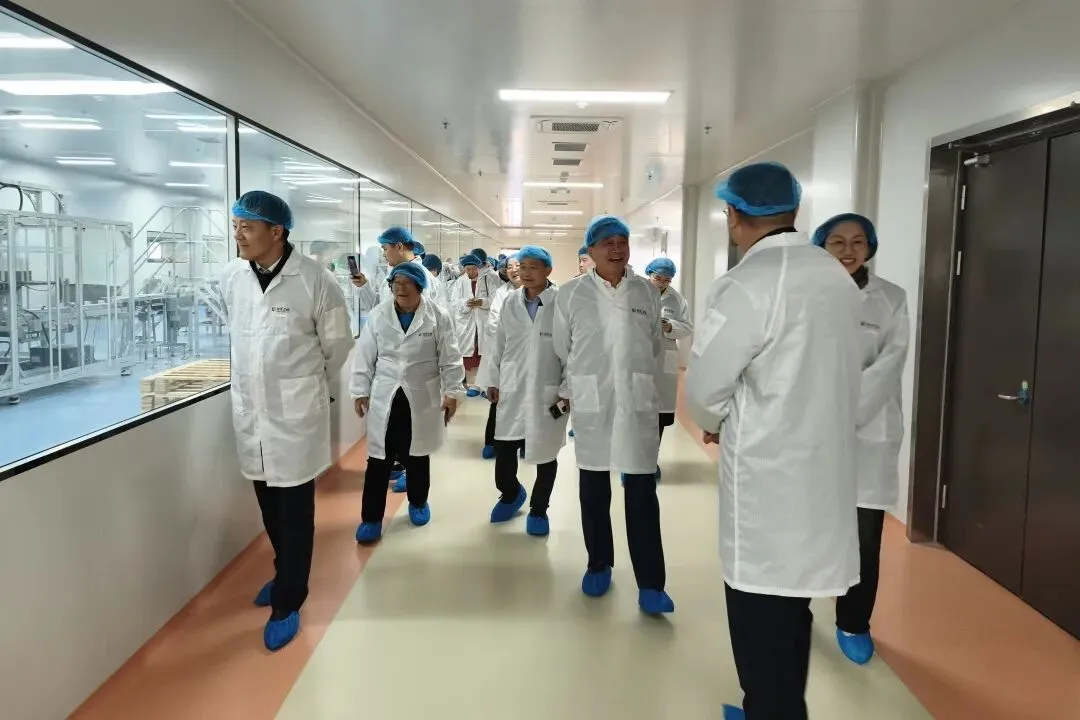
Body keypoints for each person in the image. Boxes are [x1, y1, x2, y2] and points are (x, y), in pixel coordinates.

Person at [685, 162, 861, 720]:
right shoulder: (835, 276)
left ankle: (768, 710)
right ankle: (781, 707)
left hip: (767, 475)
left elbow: (707, 386)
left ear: (734, 216)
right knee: (793, 608)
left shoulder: (746, 283)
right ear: (794, 210)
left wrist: (711, 420)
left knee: (759, 612)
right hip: (824, 469)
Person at [219, 191, 353, 652]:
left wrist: (305, 387)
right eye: (236, 226)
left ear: (276, 232)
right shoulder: (232, 277)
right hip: (252, 414)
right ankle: (283, 574)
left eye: (247, 227)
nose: (238, 235)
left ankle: (289, 599)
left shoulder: (316, 281)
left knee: (295, 513)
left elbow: (337, 347)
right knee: (268, 505)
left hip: (295, 417)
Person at [553, 215, 674, 616]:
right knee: (593, 491)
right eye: (607, 242)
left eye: (622, 241)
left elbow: (654, 344)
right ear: (590, 250)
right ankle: (598, 563)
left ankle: (651, 584)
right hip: (593, 401)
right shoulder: (570, 294)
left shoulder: (646, 291)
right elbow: (562, 347)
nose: (617, 248)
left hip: (637, 402)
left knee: (641, 494)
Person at [813, 213, 909, 666]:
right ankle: (797, 608)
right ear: (822, 246)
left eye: (857, 241)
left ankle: (853, 621)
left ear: (869, 247)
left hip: (869, 433)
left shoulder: (891, 298)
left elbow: (890, 363)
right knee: (808, 527)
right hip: (810, 431)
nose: (848, 250)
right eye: (837, 241)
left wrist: (844, 411)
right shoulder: (805, 294)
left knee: (865, 537)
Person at [350, 262, 465, 543]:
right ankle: (371, 518)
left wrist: (453, 392)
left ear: (419, 287)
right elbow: (364, 356)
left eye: (406, 283)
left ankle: (418, 501)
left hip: (421, 394)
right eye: (395, 283)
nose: (400, 288)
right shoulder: (378, 315)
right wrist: (359, 390)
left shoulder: (438, 316)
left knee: (417, 454)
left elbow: (450, 357)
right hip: (386, 395)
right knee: (379, 458)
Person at [352, 227, 442, 494]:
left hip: (419, 370)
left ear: (399, 246)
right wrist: (364, 287)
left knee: (414, 435)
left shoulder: (424, 277)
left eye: (385, 248)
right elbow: (379, 309)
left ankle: (411, 478)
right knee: (391, 429)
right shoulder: (391, 277)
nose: (384, 253)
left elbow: (437, 322)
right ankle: (399, 465)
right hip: (389, 370)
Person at [485, 246, 566, 536]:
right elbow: (498, 342)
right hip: (512, 384)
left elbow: (573, 350)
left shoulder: (561, 302)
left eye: (533, 267)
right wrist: (492, 379)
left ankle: (539, 509)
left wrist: (567, 389)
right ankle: (510, 493)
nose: (526, 273)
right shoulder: (510, 301)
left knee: (546, 453)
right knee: (505, 448)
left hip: (549, 389)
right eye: (522, 267)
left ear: (548, 271)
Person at [644, 257, 693, 481]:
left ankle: (651, 460)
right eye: (658, 278)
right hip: (640, 358)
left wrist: (670, 326)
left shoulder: (677, 299)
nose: (662, 283)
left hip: (665, 360)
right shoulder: (637, 293)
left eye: (666, 280)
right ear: (649, 274)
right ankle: (632, 463)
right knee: (637, 413)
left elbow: (687, 327)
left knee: (659, 416)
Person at [478, 256, 521, 459]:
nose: (513, 269)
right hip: (506, 354)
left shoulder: (542, 293)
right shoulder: (502, 293)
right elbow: (493, 324)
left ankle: (525, 442)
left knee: (528, 401)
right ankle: (491, 441)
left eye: (518, 265)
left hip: (532, 358)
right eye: (509, 266)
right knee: (500, 400)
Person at [450, 253, 499, 396]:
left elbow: (496, 298)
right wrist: (466, 303)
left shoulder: (488, 279)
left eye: (473, 268)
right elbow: (454, 302)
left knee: (485, 354)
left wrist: (482, 302)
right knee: (469, 354)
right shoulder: (460, 282)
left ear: (478, 268)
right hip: (467, 323)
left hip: (484, 322)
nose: (471, 272)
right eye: (468, 269)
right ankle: (473, 385)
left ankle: (485, 386)